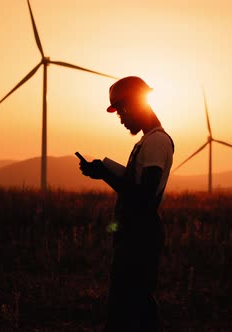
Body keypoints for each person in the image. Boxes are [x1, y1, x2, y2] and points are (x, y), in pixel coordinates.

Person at [79, 76, 174, 331]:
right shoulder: (149, 141)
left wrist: (105, 174)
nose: (120, 118)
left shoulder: (155, 142)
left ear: (133, 105)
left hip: (141, 234)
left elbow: (144, 195)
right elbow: (137, 185)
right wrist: (102, 170)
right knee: (136, 307)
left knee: (128, 308)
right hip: (136, 232)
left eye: (120, 110)